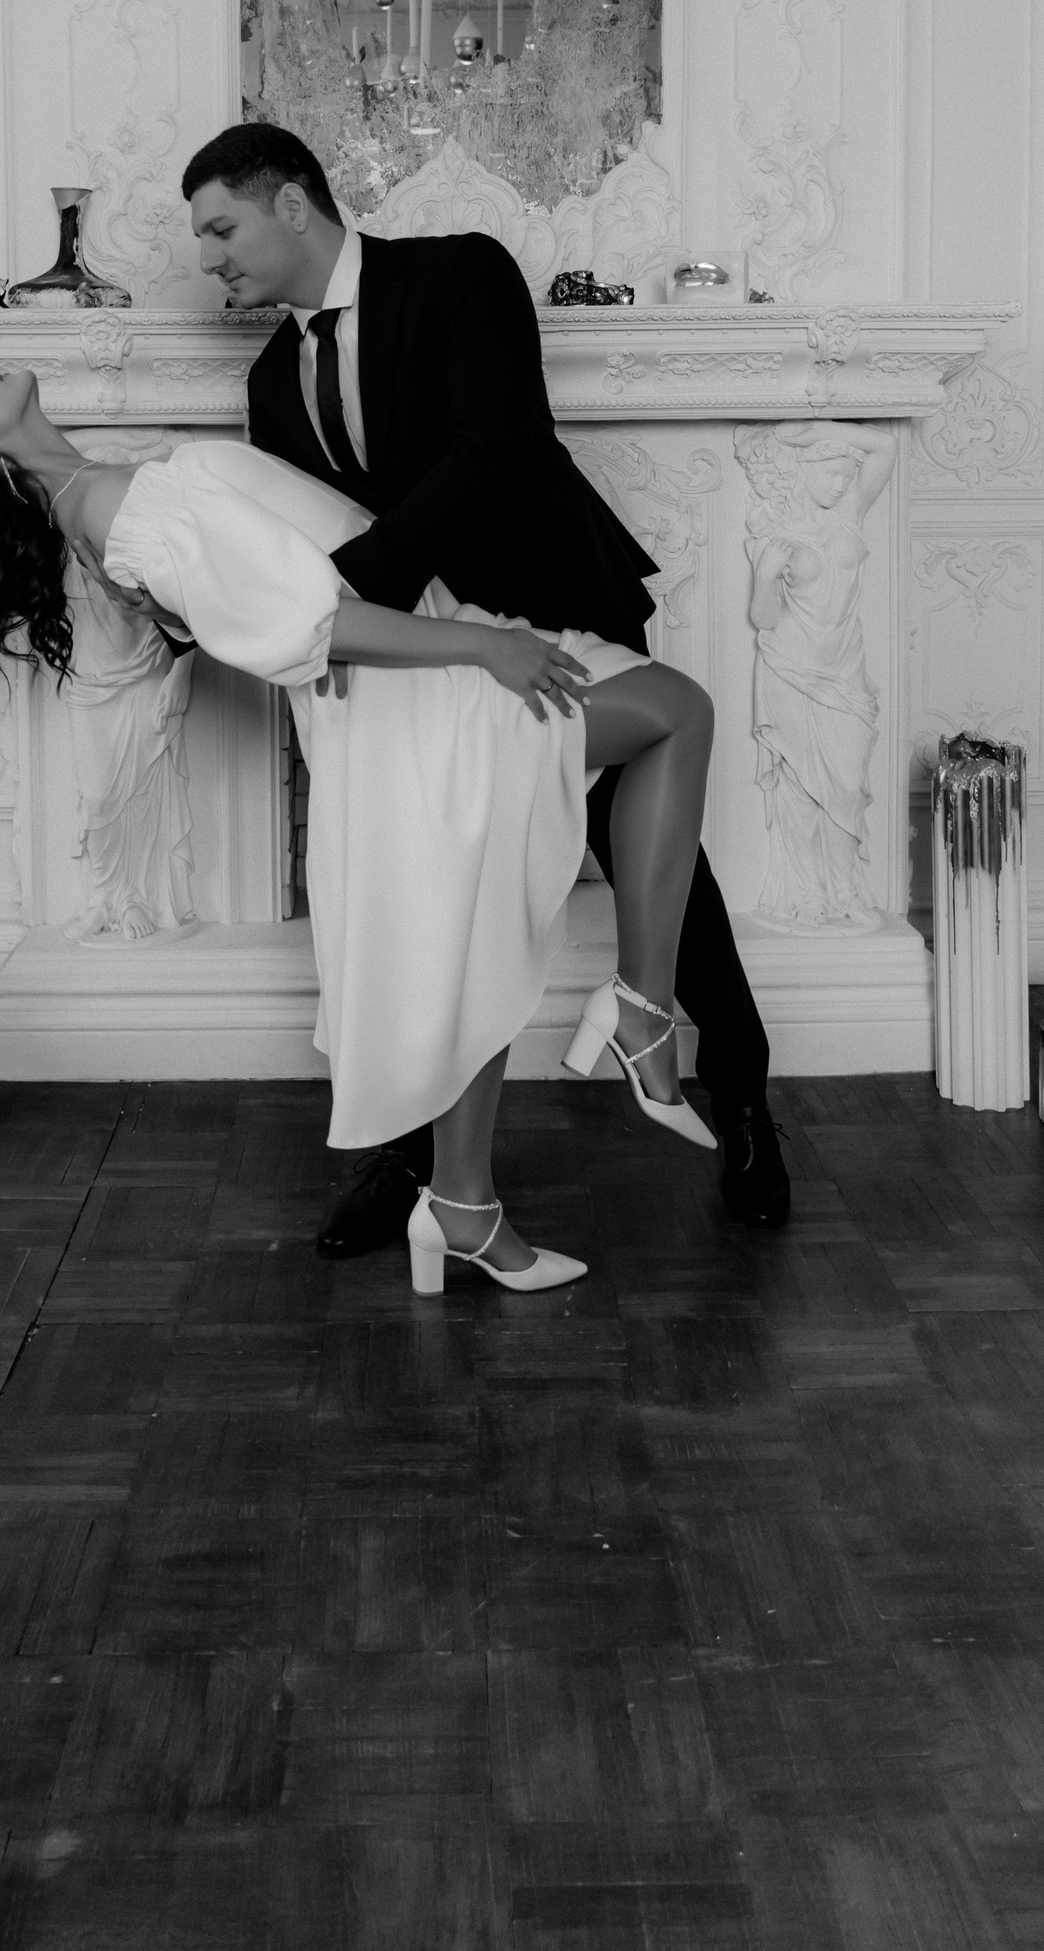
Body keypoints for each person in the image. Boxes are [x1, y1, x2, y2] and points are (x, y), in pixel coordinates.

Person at [0, 368, 719, 1297]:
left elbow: (258, 594)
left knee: (476, 936)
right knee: (674, 712)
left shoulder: (102, 494)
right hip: (423, 696)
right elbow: (307, 626)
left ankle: (467, 1201)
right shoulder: (114, 509)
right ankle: (636, 1013)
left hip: (417, 673)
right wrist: (488, 647)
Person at [180, 120, 791, 1252]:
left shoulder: (459, 273)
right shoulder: (273, 382)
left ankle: (744, 1100)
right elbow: (297, 538)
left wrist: (345, 594)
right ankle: (420, 1162)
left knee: (657, 866)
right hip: (428, 667)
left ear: (293, 203)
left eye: (221, 228)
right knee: (424, 895)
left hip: (557, 612)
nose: (208, 257)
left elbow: (496, 449)